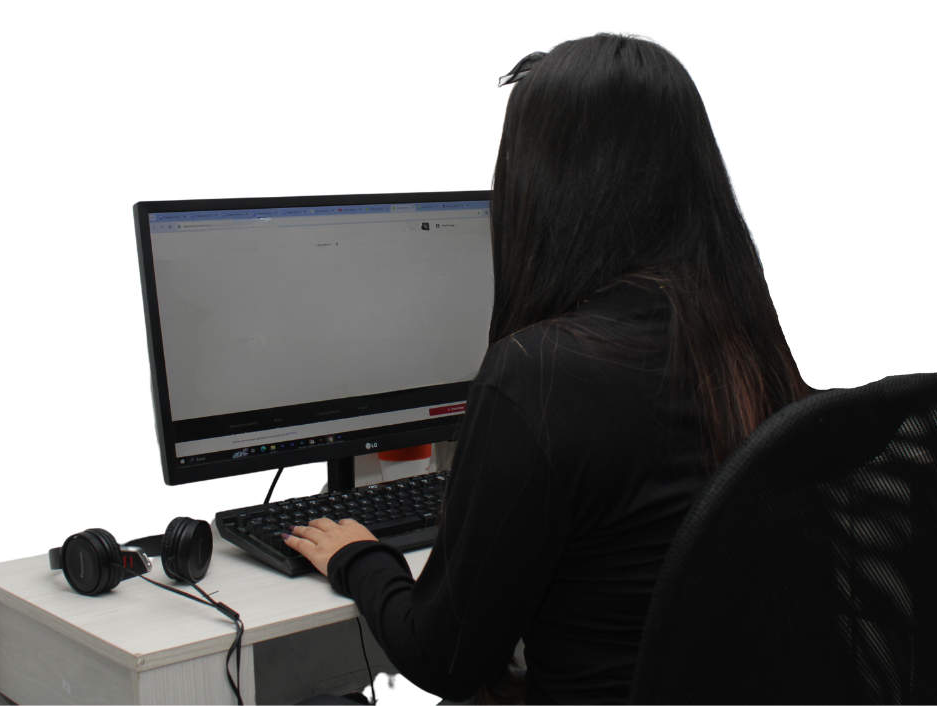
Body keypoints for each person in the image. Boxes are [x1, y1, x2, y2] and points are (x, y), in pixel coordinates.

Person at [283, 34, 811, 704]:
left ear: (542, 187)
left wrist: (360, 555)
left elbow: (444, 659)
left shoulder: (538, 373)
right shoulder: (740, 340)